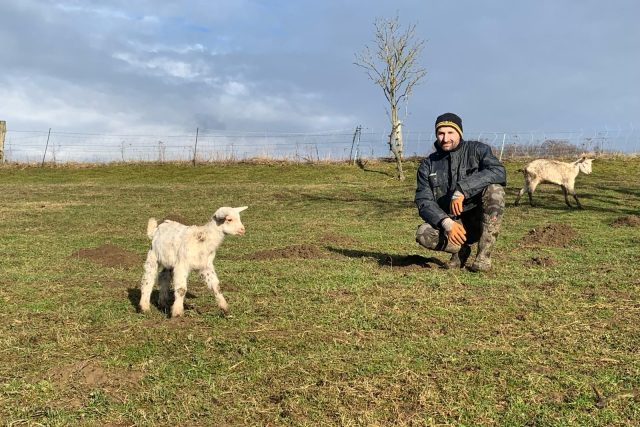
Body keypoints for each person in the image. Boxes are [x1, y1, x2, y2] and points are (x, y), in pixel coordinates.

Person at [414, 112, 506, 272]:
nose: (445, 138)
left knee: (495, 190)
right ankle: (461, 251)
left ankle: (483, 257)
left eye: (450, 132)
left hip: (480, 219)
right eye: (441, 133)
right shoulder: (427, 165)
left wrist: (462, 189)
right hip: (452, 224)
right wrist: (446, 222)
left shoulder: (478, 150)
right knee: (423, 233)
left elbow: (498, 171)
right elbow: (423, 200)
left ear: (459, 133)